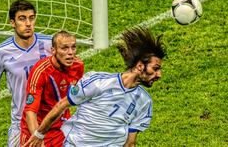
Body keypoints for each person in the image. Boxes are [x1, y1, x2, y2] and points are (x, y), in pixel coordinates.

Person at [24, 26, 167, 147]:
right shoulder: (98, 82)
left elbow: (130, 143)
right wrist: (38, 134)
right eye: (155, 68)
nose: (159, 74)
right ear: (140, 66)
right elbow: (61, 104)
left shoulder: (144, 102)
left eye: (73, 47)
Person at [0, 0, 52, 146]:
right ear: (12, 22)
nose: (28, 23)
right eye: (22, 19)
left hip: (50, 120)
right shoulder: (1, 52)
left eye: (31, 18)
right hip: (20, 122)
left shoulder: (50, 44)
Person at [20, 30, 84, 147]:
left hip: (61, 128)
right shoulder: (40, 71)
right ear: (53, 50)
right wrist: (38, 137)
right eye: (64, 48)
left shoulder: (78, 66)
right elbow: (30, 111)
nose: (70, 53)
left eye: (73, 48)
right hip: (36, 128)